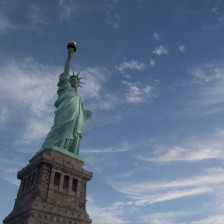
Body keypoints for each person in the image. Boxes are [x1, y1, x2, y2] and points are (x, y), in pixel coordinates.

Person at [40, 43, 92, 156]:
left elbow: (81, 114)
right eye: (72, 79)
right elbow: (66, 71)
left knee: (72, 132)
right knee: (59, 129)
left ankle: (66, 149)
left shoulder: (78, 98)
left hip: (74, 119)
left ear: (78, 84)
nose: (74, 80)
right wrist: (70, 56)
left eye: (76, 80)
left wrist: (85, 114)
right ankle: (58, 147)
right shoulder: (66, 88)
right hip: (64, 113)